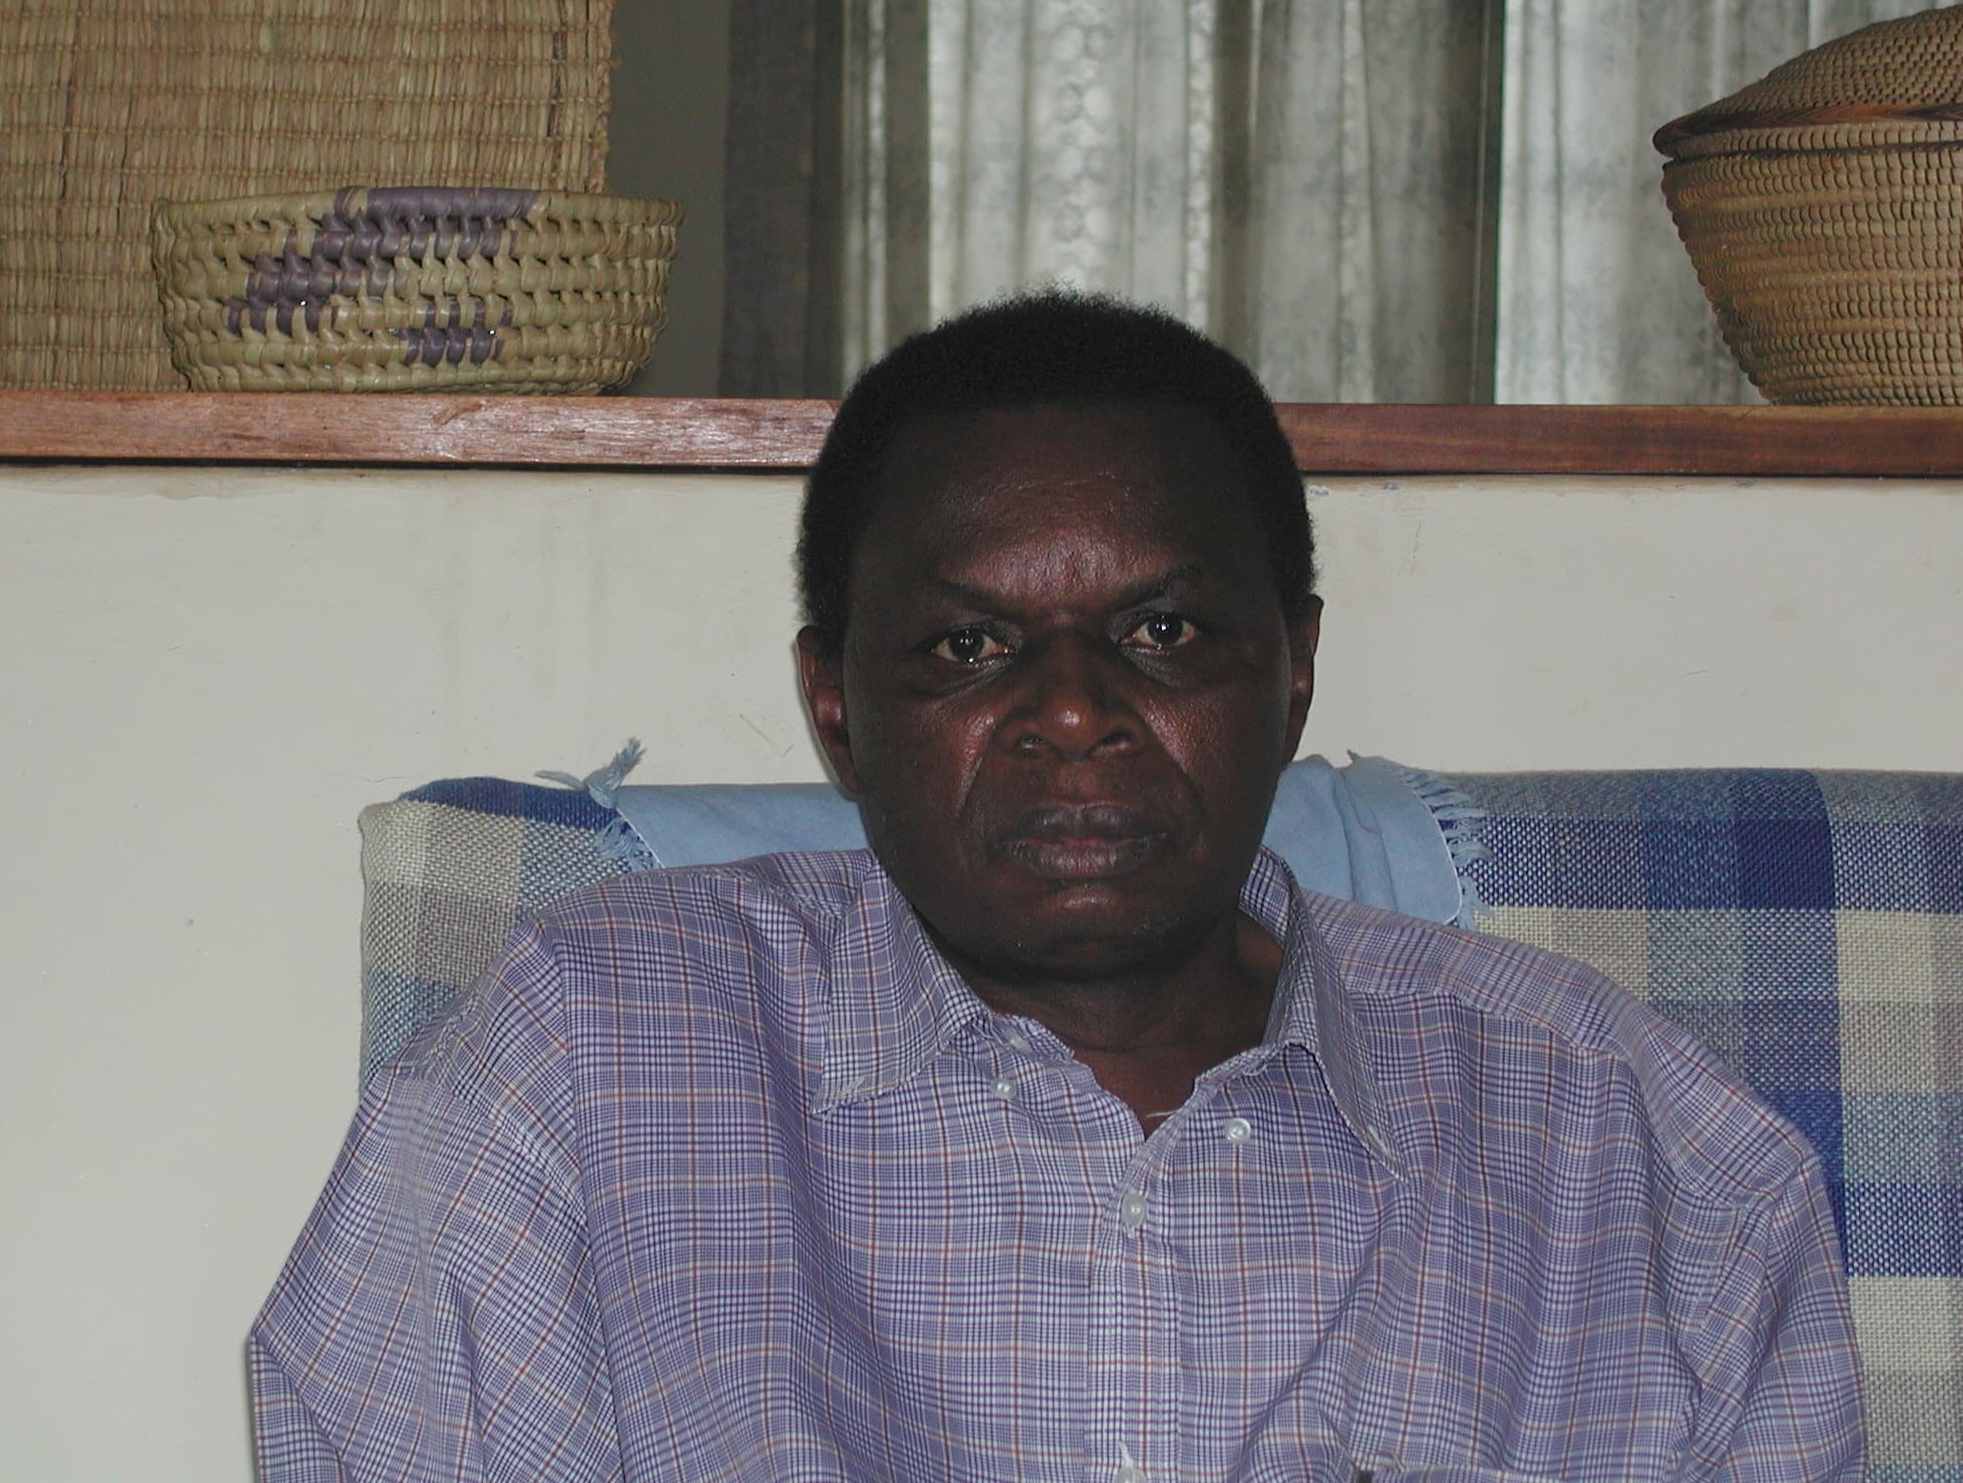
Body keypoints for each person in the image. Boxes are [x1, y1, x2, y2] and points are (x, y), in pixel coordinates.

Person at [251, 294, 1863, 1481]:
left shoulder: (1631, 1144)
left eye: (1163, 634)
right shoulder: (582, 1061)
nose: (1076, 713)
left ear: (1293, 672)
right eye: (970, 646)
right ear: (837, 707)